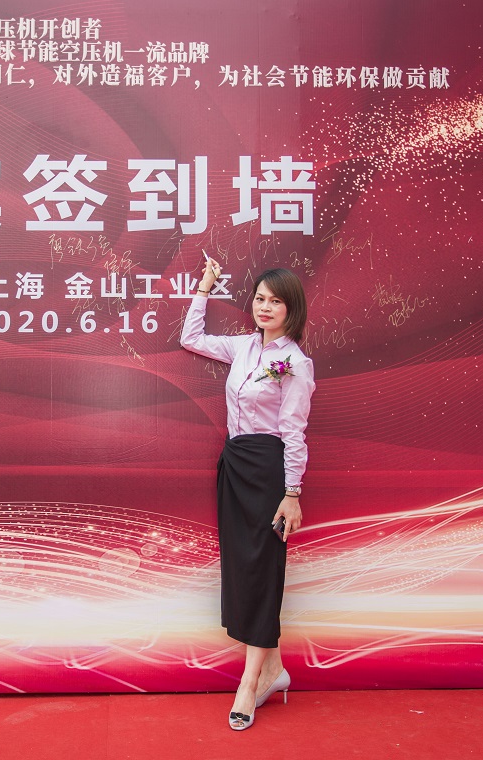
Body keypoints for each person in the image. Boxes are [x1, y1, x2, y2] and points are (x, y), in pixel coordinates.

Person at [180, 258, 316, 732]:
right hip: (235, 465)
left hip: (269, 472)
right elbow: (191, 338)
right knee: (243, 571)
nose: (265, 307)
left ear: (291, 309)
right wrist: (204, 287)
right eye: (259, 299)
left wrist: (292, 493)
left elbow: (294, 432)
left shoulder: (295, 363)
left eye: (275, 301)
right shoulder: (242, 347)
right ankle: (274, 671)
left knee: (263, 571)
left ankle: (249, 682)